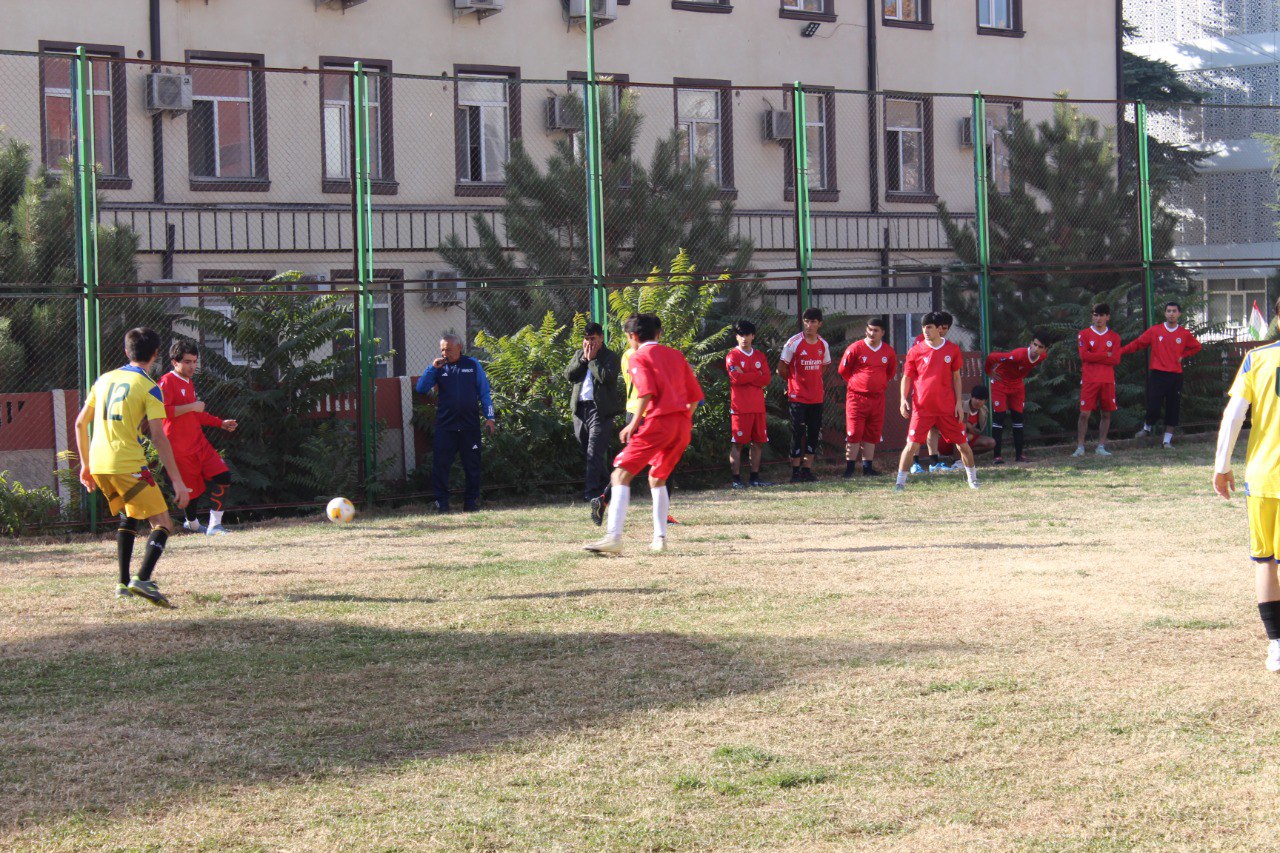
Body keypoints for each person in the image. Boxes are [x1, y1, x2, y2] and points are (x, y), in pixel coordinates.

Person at [74, 327, 191, 607]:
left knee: (130, 515)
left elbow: (80, 423)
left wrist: (85, 465)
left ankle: (123, 584)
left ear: (126, 352)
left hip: (100, 463)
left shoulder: (103, 380)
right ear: (156, 354)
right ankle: (143, 579)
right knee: (163, 523)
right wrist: (176, 480)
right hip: (126, 462)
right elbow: (159, 436)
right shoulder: (150, 387)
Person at [585, 313, 703, 555]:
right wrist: (682, 423)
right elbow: (694, 397)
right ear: (657, 334)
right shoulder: (676, 355)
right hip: (682, 425)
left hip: (658, 422)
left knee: (619, 475)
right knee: (657, 478)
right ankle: (659, 539)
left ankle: (613, 538)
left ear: (632, 336)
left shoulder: (638, 357)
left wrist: (633, 423)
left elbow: (646, 392)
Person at [1213, 297, 1280, 670]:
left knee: (1266, 561)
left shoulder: (1258, 358)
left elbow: (1234, 414)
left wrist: (1222, 465)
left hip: (1266, 475)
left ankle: (1276, 645)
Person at [157, 340, 238, 535]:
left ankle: (215, 525)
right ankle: (192, 523)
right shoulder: (166, 381)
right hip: (179, 448)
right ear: (175, 362)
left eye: (194, 361)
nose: (192, 366)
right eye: (187, 362)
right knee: (190, 493)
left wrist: (220, 423)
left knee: (223, 475)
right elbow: (162, 411)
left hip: (199, 443)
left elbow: (196, 413)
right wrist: (192, 406)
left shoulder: (188, 381)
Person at [895, 312, 979, 491]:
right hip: (922, 408)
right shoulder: (915, 351)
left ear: (939, 329)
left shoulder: (952, 349)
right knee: (911, 446)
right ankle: (900, 483)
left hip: (947, 408)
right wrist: (903, 399)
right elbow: (907, 377)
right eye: (924, 327)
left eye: (930, 327)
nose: (926, 330)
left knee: (963, 445)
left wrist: (958, 403)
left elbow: (956, 378)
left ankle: (973, 480)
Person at [416, 334, 496, 513]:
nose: (445, 354)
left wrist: (490, 418)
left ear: (459, 348)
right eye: (442, 350)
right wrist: (432, 368)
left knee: (472, 466)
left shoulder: (473, 365)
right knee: (441, 466)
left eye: (448, 350)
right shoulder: (438, 367)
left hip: (470, 427)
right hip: (446, 427)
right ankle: (441, 504)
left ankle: (471, 503)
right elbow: (421, 388)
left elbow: (484, 393)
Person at [1123, 301, 1203, 449]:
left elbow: (1197, 347)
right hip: (1158, 374)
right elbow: (1138, 343)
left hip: (1175, 376)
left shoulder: (1184, 333)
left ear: (1179, 314)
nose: (1171, 313)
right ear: (1165, 313)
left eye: (1174, 311)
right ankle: (1146, 428)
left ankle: (1167, 441)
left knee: (1173, 407)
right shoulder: (1155, 331)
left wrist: (1184, 355)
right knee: (1154, 404)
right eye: (1168, 311)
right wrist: (1120, 351)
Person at [564, 322, 622, 505]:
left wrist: (593, 360)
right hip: (580, 409)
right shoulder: (579, 354)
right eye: (587, 339)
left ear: (601, 338)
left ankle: (591, 493)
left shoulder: (610, 356)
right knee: (588, 451)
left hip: (600, 411)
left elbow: (606, 377)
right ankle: (610, 486)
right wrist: (583, 360)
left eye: (593, 339)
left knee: (594, 451)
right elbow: (568, 375)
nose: (589, 343)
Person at [837, 317, 896, 478]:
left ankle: (867, 468)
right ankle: (849, 469)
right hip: (857, 398)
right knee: (854, 432)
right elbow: (843, 370)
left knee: (872, 432)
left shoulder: (888, 352)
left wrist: (877, 383)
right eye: (869, 329)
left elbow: (890, 372)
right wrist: (858, 383)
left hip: (877, 398)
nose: (872, 333)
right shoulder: (855, 348)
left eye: (876, 330)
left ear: (882, 333)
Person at [779, 307, 831, 483]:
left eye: (813, 322)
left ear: (820, 324)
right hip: (797, 397)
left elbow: (824, 366)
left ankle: (807, 470)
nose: (809, 325)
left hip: (816, 397)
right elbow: (782, 368)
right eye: (806, 321)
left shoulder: (823, 344)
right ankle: (795, 471)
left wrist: (813, 380)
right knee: (798, 431)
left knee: (814, 432)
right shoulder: (793, 343)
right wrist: (794, 383)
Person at [984, 331, 1050, 464]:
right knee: (1000, 417)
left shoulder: (1043, 357)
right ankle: (997, 456)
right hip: (1000, 383)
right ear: (1030, 344)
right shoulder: (1017, 355)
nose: (1036, 349)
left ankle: (1019, 455)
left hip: (1017, 386)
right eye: (1035, 345)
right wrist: (989, 372)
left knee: (1018, 419)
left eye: (1040, 347)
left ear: (1045, 349)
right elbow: (992, 357)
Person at [725, 319, 772, 489]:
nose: (744, 338)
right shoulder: (732, 356)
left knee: (757, 443)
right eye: (741, 335)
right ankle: (736, 479)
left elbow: (766, 379)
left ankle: (754, 478)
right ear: (736, 337)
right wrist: (756, 374)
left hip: (758, 407)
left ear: (753, 336)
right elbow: (736, 379)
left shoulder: (760, 355)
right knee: (738, 443)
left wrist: (747, 374)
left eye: (747, 334)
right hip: (740, 407)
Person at [1074, 303, 1122, 458]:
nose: (1098, 318)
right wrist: (1105, 355)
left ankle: (1101, 446)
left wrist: (1095, 355)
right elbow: (1084, 356)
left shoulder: (1114, 337)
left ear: (1108, 317)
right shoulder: (1084, 334)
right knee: (1084, 414)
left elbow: (1115, 359)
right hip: (1089, 379)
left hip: (1107, 380)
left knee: (1106, 414)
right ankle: (1080, 447)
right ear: (1092, 316)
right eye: (1096, 315)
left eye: (1102, 315)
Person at [909, 311, 954, 474]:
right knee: (917, 430)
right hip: (921, 394)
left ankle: (934, 461)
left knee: (934, 429)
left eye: (945, 328)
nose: (942, 331)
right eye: (940, 327)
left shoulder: (946, 345)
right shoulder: (922, 341)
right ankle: (915, 463)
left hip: (939, 396)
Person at [939, 386, 996, 465]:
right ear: (971, 397)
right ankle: (958, 461)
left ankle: (965, 456)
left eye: (981, 399)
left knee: (991, 442)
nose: (977, 401)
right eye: (975, 398)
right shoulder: (960, 406)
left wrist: (969, 426)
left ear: (985, 401)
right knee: (963, 436)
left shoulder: (984, 411)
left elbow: (979, 431)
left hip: (969, 438)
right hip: (949, 440)